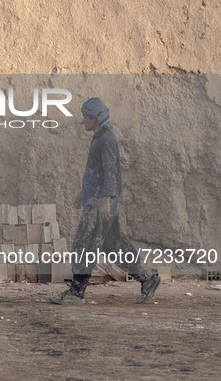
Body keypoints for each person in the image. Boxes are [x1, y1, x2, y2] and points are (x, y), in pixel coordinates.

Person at [49, 98, 160, 305]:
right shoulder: (100, 138)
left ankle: (76, 293)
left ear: (96, 118)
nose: (82, 121)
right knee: (115, 246)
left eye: (85, 117)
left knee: (83, 245)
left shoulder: (107, 140)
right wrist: (83, 192)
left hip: (100, 205)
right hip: (98, 201)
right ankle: (148, 278)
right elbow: (97, 172)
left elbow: (111, 173)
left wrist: (105, 201)